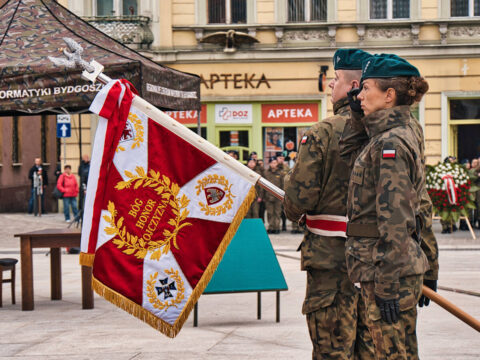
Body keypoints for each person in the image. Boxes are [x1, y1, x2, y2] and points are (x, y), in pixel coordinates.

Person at [284, 48, 372, 359]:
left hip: (332, 263)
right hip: (377, 264)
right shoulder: (390, 132)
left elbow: (296, 202)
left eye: (334, 79)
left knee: (332, 352)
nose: (329, 86)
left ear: (351, 87)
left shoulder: (325, 131)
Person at [344, 54, 430, 359]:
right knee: (404, 351)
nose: (359, 95)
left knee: (391, 355)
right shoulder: (405, 130)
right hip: (398, 266)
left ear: (389, 95)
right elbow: (423, 205)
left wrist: (387, 283)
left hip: (386, 270)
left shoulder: (389, 144)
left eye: (366, 88)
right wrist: (430, 263)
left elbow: (395, 219)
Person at [264, 157, 283, 234]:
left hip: (278, 196)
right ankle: (271, 227)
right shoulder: (266, 173)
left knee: (277, 212)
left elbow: (283, 185)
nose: (273, 164)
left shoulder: (280, 173)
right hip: (268, 196)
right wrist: (263, 196)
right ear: (269, 164)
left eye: (275, 163)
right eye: (272, 163)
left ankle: (277, 227)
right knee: (270, 213)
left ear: (277, 164)